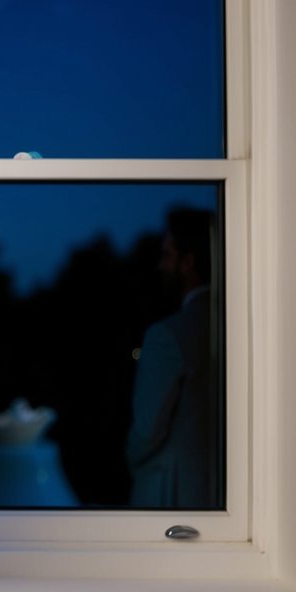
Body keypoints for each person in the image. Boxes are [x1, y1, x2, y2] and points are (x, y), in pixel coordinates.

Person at [126, 206, 221, 508]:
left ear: (187, 262)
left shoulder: (168, 335)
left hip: (173, 500)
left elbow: (146, 433)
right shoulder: (239, 326)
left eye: (167, 255)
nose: (160, 266)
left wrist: (129, 458)